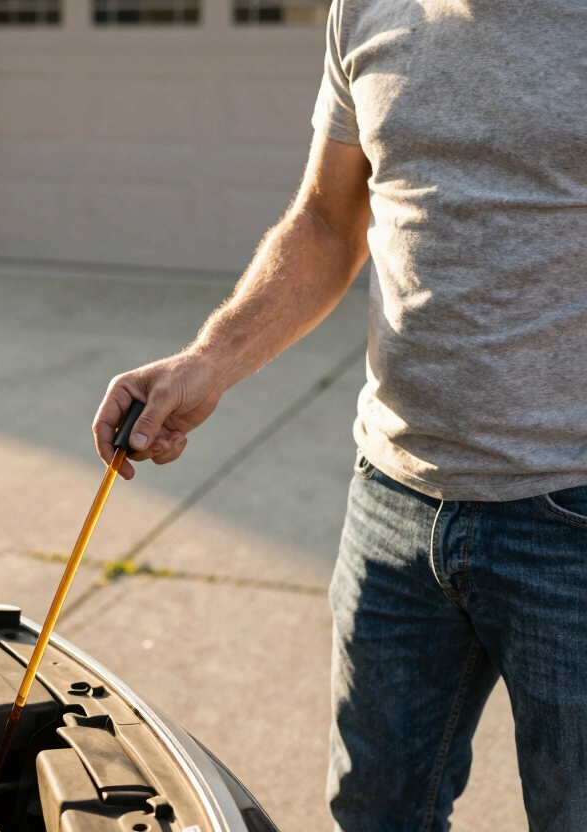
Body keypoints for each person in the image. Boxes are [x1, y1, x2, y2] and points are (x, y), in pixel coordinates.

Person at [92, 0, 587, 828]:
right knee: (373, 811)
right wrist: (208, 362)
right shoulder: (366, 9)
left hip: (570, 516)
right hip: (394, 506)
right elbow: (327, 220)